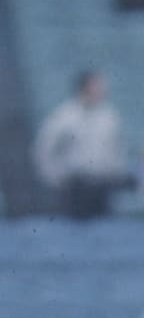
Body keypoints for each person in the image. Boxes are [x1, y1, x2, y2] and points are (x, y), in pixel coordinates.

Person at [33, 69, 130, 217]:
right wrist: (54, 178)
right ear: (85, 87)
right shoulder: (65, 117)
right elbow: (44, 149)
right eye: (98, 86)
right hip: (75, 187)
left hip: (103, 186)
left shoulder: (109, 117)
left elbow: (117, 148)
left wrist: (117, 173)